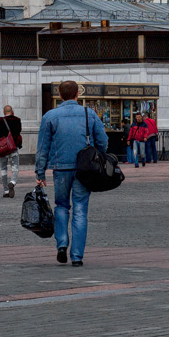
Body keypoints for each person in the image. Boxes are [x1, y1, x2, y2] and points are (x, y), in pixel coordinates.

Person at [36, 80, 107, 267]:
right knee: (80, 210)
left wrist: (40, 172)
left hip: (60, 168)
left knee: (61, 206)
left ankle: (61, 244)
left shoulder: (50, 116)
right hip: (84, 170)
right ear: (77, 95)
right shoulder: (88, 114)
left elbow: (42, 147)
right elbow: (103, 140)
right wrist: (97, 156)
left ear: (60, 96)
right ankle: (77, 256)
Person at [0, 105, 23, 197]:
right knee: (15, 167)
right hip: (13, 147)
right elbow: (18, 132)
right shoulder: (17, 120)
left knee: (3, 169)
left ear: (4, 112)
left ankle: (6, 191)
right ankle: (12, 182)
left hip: (2, 149)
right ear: (12, 111)